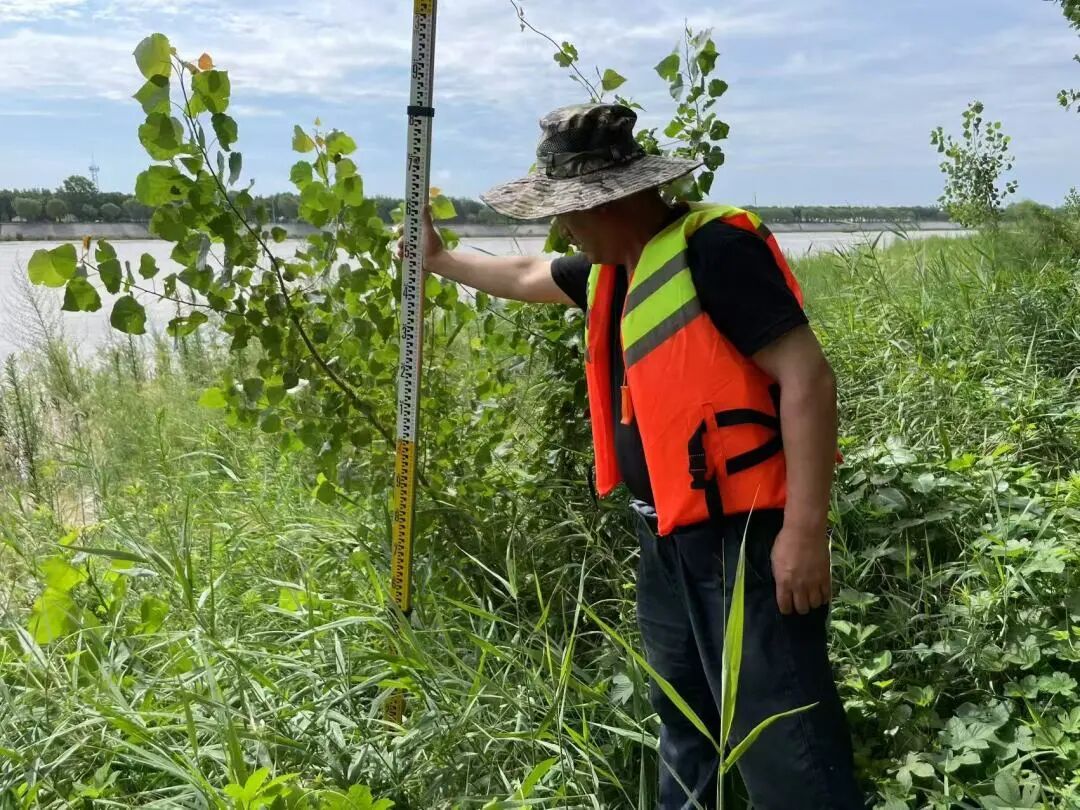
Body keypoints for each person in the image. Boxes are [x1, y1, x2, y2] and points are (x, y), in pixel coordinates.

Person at [413, 103, 866, 809]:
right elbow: (530, 273)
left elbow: (808, 378)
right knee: (687, 729)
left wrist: (805, 531)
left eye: (568, 211)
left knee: (784, 743)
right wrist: (439, 261)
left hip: (744, 541)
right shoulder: (611, 270)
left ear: (613, 199)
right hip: (663, 538)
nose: (562, 227)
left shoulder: (713, 250)